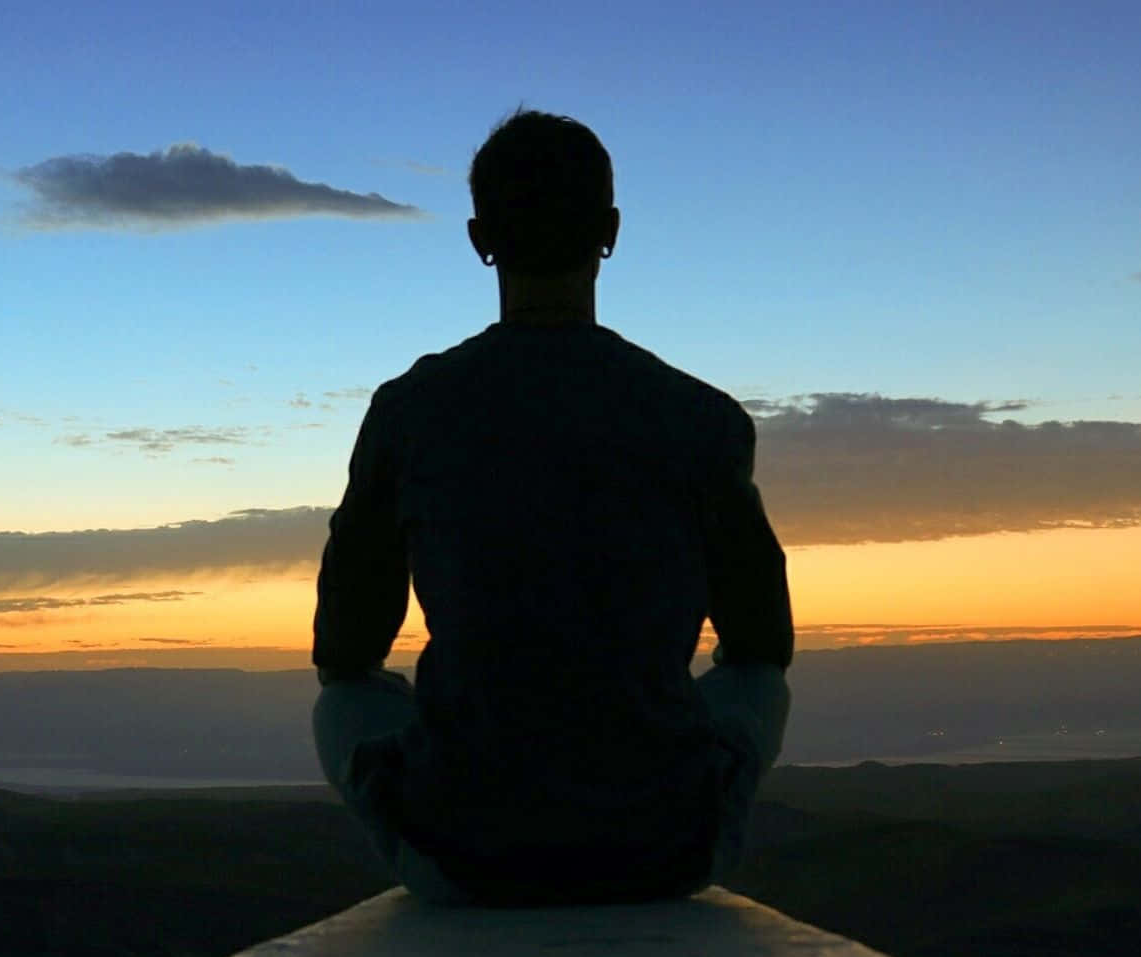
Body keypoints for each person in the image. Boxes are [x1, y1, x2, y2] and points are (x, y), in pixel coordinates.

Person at [310, 108, 793, 906]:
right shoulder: (701, 418)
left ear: (479, 239)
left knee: (348, 705)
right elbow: (761, 644)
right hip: (665, 851)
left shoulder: (410, 412)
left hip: (463, 855)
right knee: (752, 683)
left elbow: (344, 653)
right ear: (610, 230)